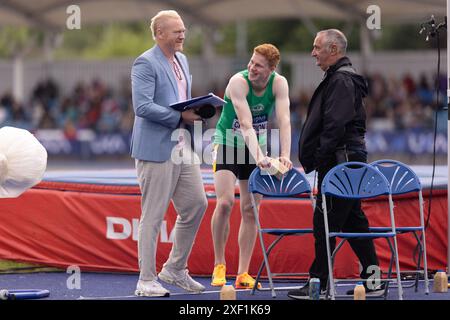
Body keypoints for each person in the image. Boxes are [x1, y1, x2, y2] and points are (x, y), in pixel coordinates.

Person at [288, 29, 384, 299]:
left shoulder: (341, 79)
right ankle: (374, 282)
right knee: (354, 221)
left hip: (340, 159)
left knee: (325, 222)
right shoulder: (340, 77)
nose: (313, 52)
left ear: (333, 50)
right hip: (347, 157)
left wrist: (320, 157)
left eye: (317, 47)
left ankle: (318, 284)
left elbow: (335, 124)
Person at [130, 10, 207, 297]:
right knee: (153, 215)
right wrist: (180, 118)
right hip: (155, 147)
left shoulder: (182, 59)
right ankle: (145, 280)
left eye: (183, 30)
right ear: (160, 33)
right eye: (177, 31)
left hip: (180, 145)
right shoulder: (145, 62)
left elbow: (178, 99)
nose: (182, 35)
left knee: (197, 204)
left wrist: (196, 109)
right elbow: (142, 106)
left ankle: (174, 268)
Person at [210, 44, 293, 289]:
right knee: (225, 203)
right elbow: (245, 124)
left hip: (256, 147)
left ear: (271, 69)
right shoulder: (238, 82)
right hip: (227, 143)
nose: (251, 67)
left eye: (258, 65)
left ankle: (243, 273)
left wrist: (285, 155)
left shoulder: (280, 84)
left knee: (250, 209)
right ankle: (219, 264)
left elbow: (284, 119)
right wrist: (259, 157)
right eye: (251, 62)